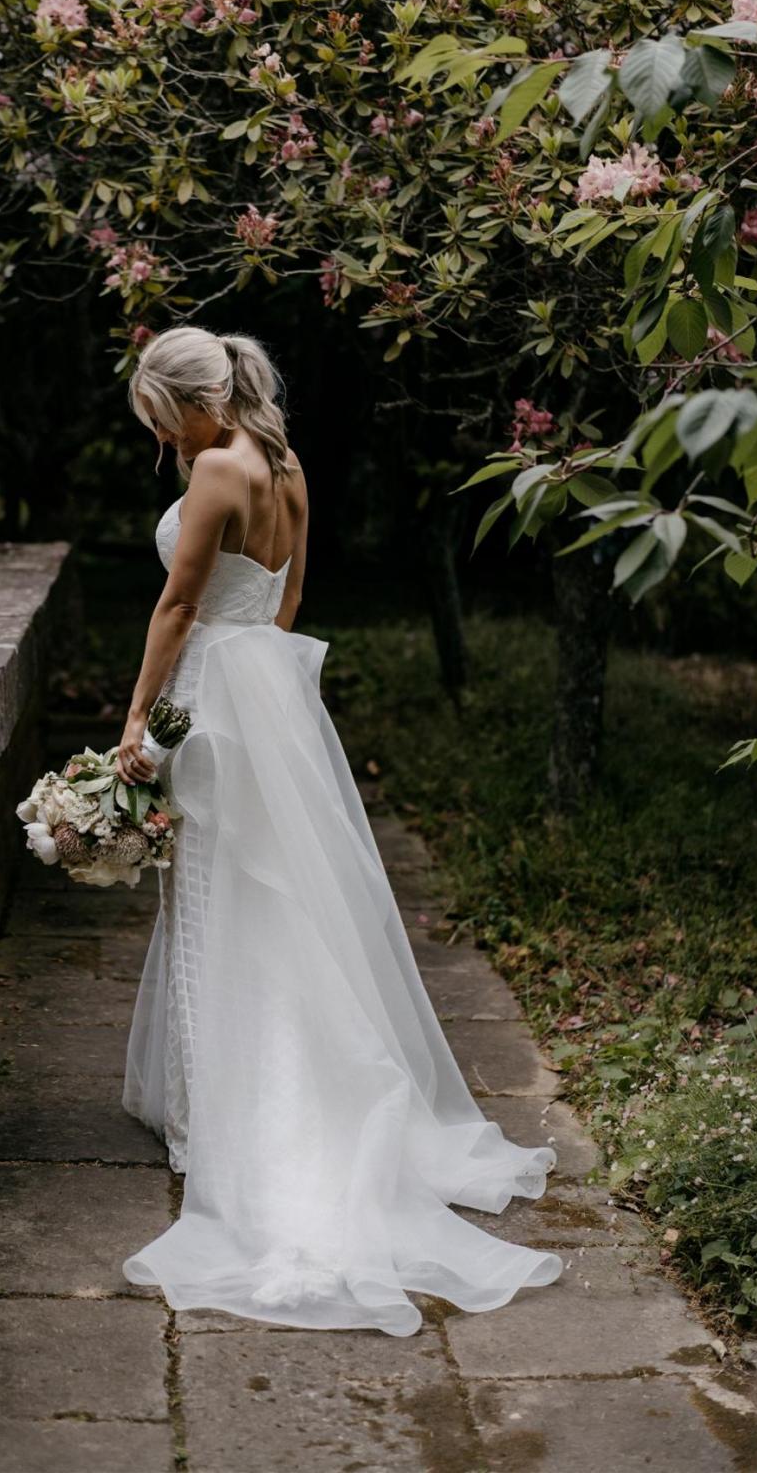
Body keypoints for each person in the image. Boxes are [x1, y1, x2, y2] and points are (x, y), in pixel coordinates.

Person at [116, 324, 564, 1334]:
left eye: (158, 418)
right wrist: (257, 688)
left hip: (212, 689)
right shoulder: (282, 463)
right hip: (264, 689)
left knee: (223, 892)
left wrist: (139, 717)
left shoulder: (217, 475)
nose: (158, 439)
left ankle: (239, 1111)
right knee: (282, 890)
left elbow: (178, 604)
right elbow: (291, 598)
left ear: (191, 403)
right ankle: (239, 1086)